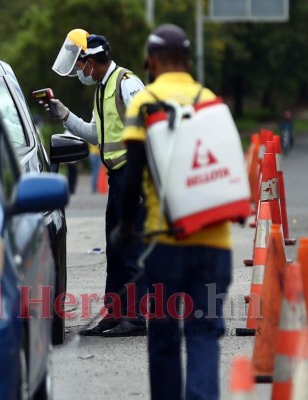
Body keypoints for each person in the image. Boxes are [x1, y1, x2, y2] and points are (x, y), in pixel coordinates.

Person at [112, 24, 233, 399]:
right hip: (215, 241)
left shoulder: (144, 102)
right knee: (204, 333)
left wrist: (125, 228)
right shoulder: (209, 98)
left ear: (150, 61)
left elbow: (133, 178)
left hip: (166, 242)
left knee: (164, 339)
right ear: (187, 60)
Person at [48, 29, 147, 336]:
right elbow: (95, 134)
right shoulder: (101, 89)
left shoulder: (127, 84)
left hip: (134, 176)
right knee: (115, 250)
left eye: (81, 64)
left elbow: (149, 127)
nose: (79, 70)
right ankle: (115, 314)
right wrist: (65, 115)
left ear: (92, 60)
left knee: (130, 249)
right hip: (117, 179)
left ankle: (135, 317)